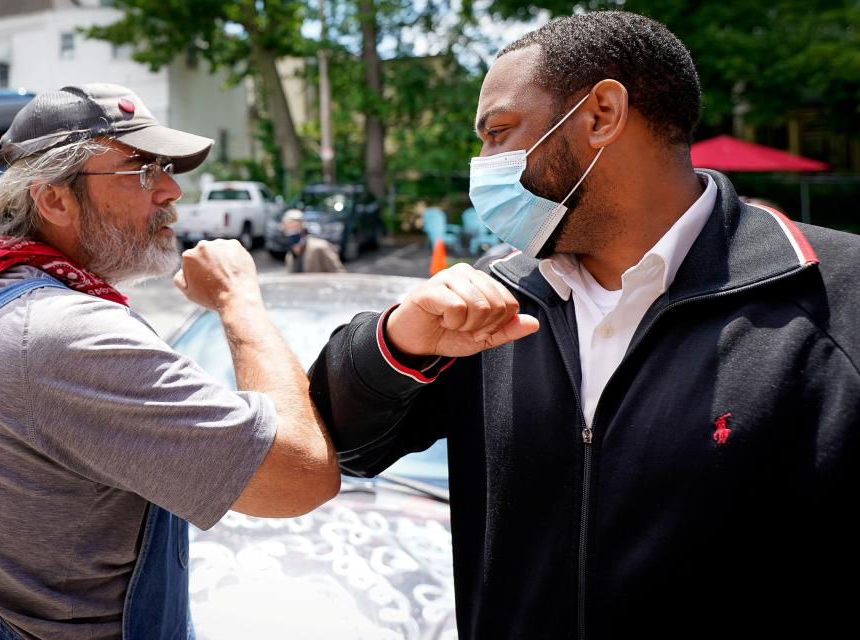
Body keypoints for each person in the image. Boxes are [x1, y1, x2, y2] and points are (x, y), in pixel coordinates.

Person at [308, 11, 858, 639]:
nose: (482, 164)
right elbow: (337, 445)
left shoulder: (835, 293)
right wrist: (396, 341)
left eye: (499, 132)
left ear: (601, 115)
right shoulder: (491, 299)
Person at [0, 84, 339, 639]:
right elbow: (298, 477)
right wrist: (239, 300)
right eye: (141, 171)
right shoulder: (65, 335)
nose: (171, 190)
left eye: (165, 168)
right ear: (53, 199)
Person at [281, 208, 346, 273]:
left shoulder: (320, 247)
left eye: (295, 227)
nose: (292, 231)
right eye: (289, 229)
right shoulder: (290, 256)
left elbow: (339, 274)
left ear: (303, 228)